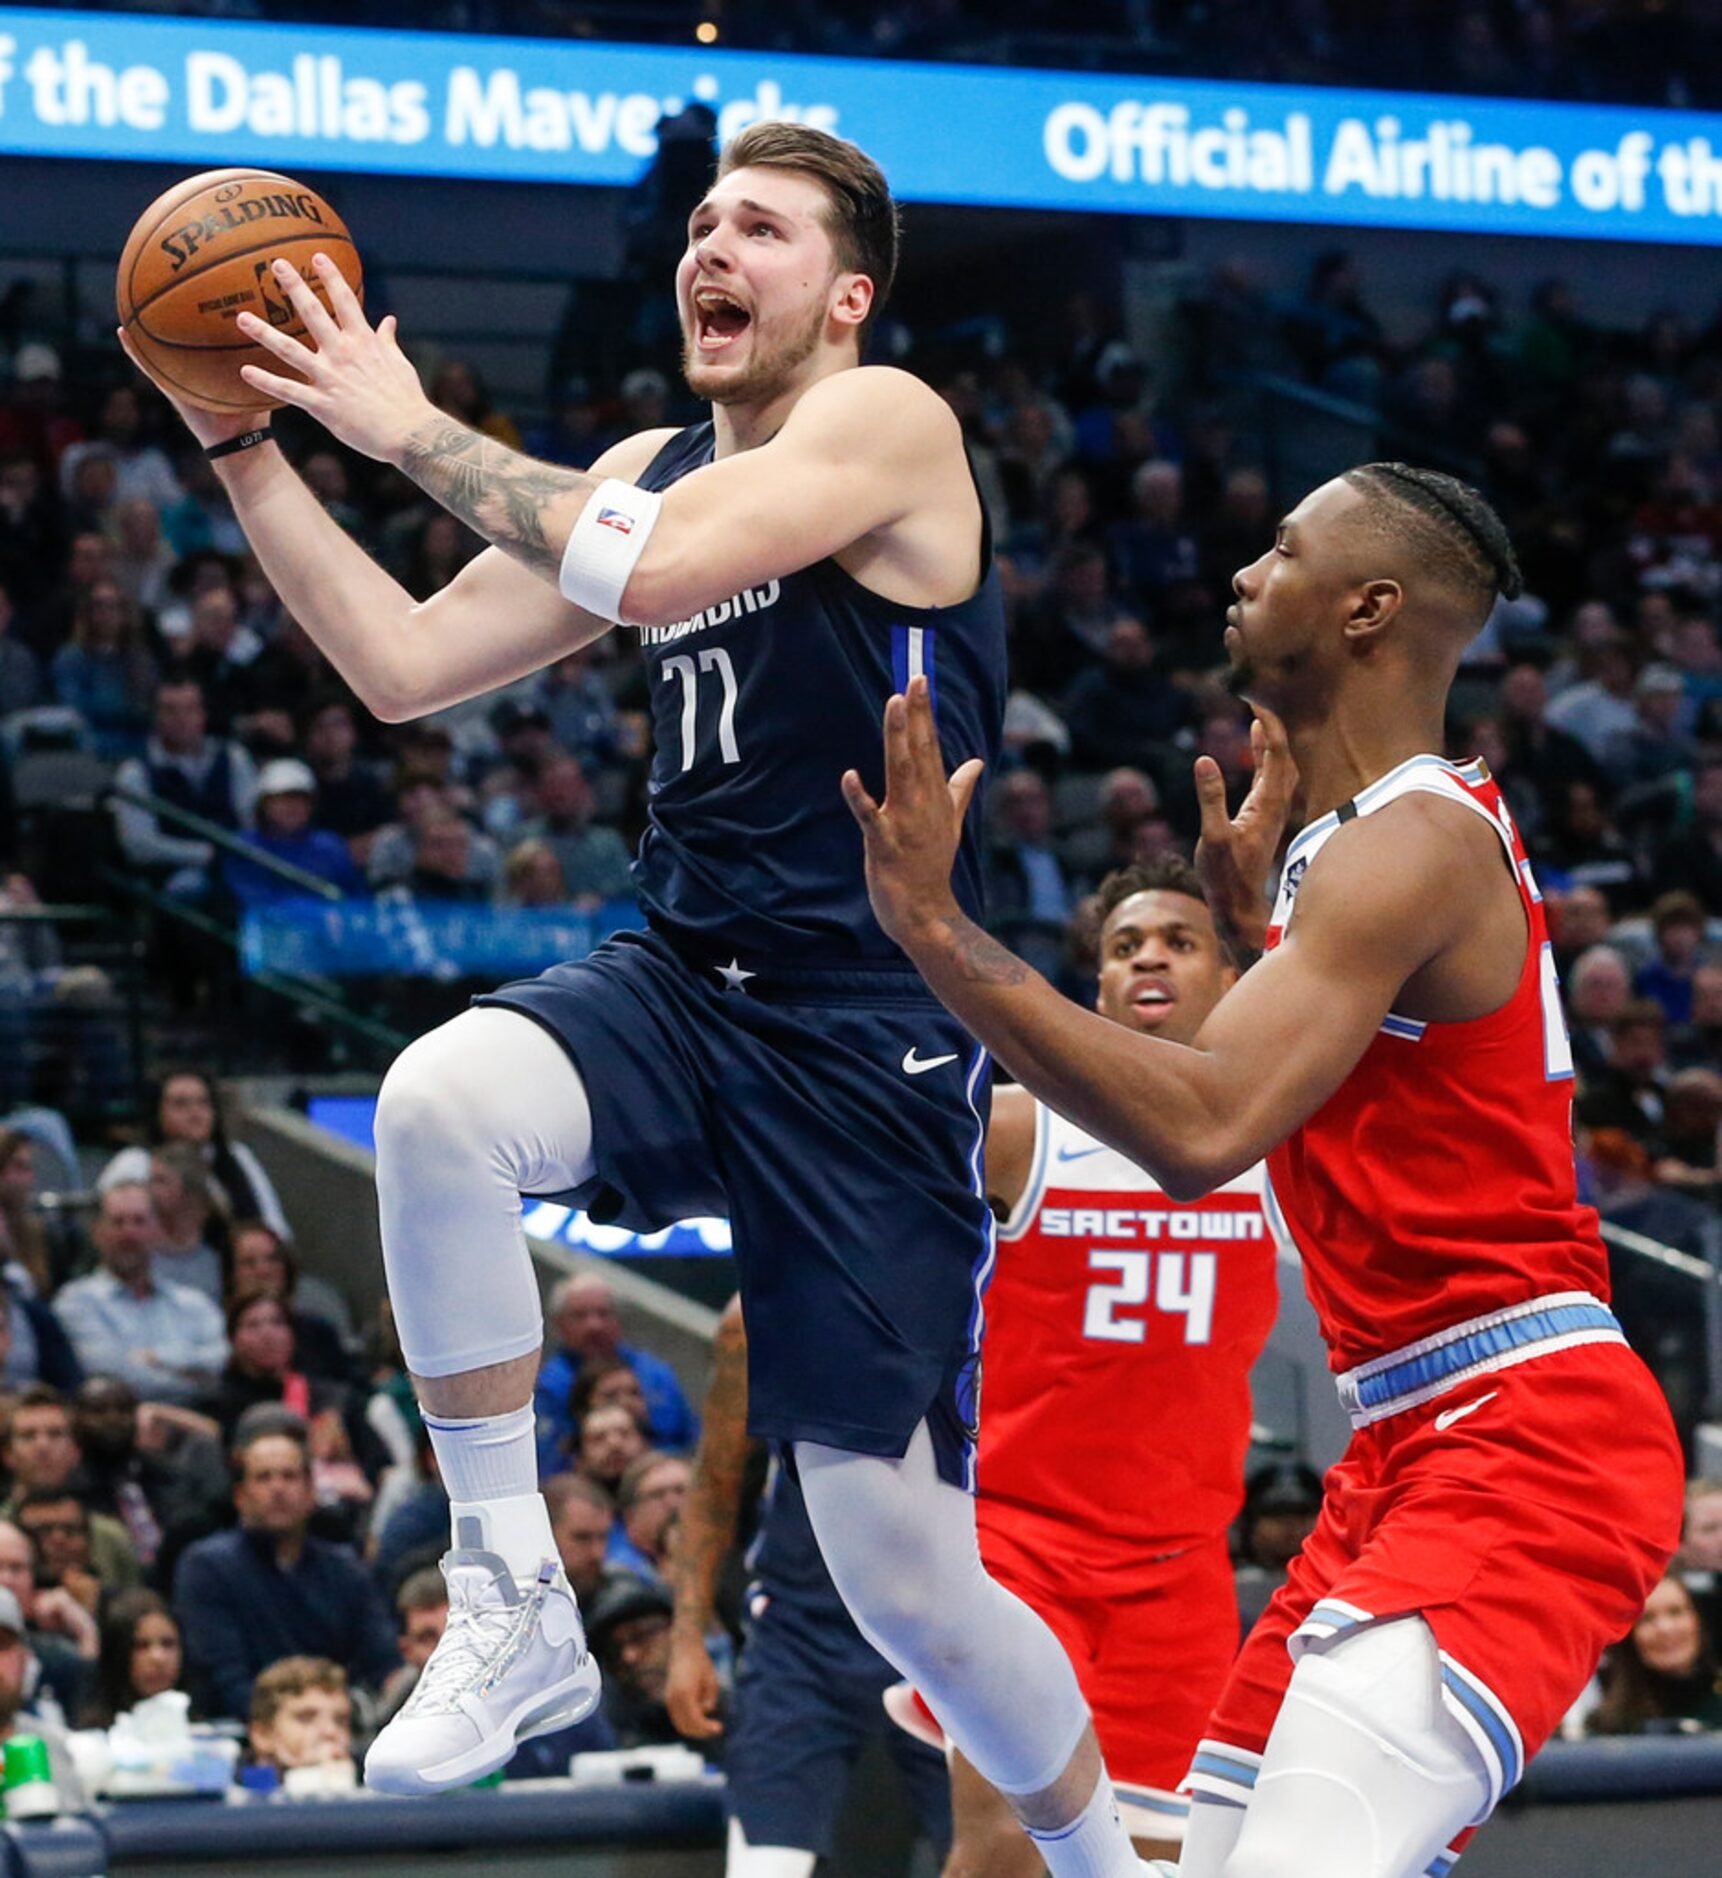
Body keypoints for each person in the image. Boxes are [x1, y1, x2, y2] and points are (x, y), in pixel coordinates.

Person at [126, 121, 1145, 1874]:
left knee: (898, 1565)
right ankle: (511, 1590)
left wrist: (403, 423)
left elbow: (655, 568)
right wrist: (239, 443)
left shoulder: (888, 423)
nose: (709, 246)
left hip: (865, 1028)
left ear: (842, 292)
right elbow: (397, 667)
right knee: (439, 1103)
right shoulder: (644, 460)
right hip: (684, 978)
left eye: (757, 224)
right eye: (696, 221)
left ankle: (1102, 1852)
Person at [848, 462, 1685, 1878]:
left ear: (1366, 609)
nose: (1245, 571)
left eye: (1283, 548)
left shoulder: (1407, 844)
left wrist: (937, 929)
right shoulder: (1345, 857)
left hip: (1519, 1427)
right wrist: (1265, 925)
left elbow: (1193, 1133)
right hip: (1399, 1442)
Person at [928, 857, 1282, 1872]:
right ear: (1098, 992)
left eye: (1178, 939)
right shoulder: (1018, 1131)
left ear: (1228, 977)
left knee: (1169, 1862)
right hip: (1021, 1549)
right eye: (1126, 948)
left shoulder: (1275, 1140)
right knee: (1004, 1848)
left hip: (1183, 1572)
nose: (1150, 958)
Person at [669, 1296, 952, 1877]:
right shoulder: (760, 1315)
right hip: (803, 1634)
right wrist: (687, 1638)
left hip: (950, 1631)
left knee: (998, 1855)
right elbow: (715, 1482)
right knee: (762, 1868)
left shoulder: (977, 1294)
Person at [172, 1420, 398, 1720]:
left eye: (289, 1476)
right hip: (248, 1733)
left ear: (310, 1492)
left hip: (339, 1726)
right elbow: (224, 1679)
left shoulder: (345, 1568)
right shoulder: (207, 1567)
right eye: (263, 1478)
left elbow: (382, 1661)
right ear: (240, 1496)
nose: (277, 1488)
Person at [52, 1184, 228, 1408]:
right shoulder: (75, 1302)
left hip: (200, 1416)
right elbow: (115, 1378)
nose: (129, 1233)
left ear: (157, 1231)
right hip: (120, 1423)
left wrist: (158, 1358)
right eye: (118, 1222)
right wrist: (191, 1374)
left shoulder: (192, 1302)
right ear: (97, 1233)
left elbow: (222, 1361)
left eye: (139, 1221)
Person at [99, 1069, 290, 1242]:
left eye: (203, 1102)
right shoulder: (135, 1163)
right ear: (157, 1112)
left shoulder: (237, 1155)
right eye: (181, 1104)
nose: (195, 1112)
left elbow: (274, 1224)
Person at [534, 1273, 699, 1461]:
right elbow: (549, 1458)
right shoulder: (547, 1385)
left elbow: (692, 1441)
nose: (594, 1325)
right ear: (559, 1324)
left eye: (603, 1313)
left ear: (618, 1319)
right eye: (580, 1316)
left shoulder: (656, 1375)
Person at [1587, 1576, 1722, 1736]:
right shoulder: (1605, 1725)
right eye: (1647, 1619)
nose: (1665, 1629)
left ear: (1698, 1621)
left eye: (1676, 1612)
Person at [83, 1587, 185, 1726]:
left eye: (167, 1644)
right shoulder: (89, 1739)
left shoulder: (204, 1723)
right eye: (142, 1646)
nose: (158, 1658)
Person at [246, 1656, 356, 1781]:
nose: (330, 1732)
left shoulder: (373, 1781)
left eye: (340, 1721)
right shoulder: (226, 1793)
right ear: (263, 1734)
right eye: (306, 1719)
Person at [607, 1451, 690, 1586]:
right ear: (630, 1518)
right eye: (657, 1495)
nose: (673, 1503)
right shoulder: (620, 1576)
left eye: (681, 1490)